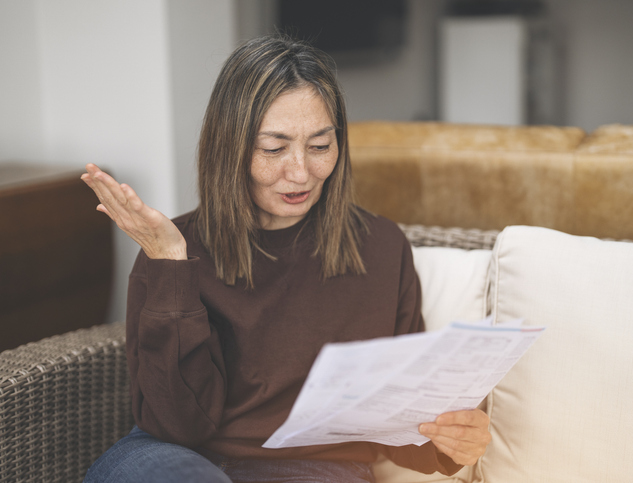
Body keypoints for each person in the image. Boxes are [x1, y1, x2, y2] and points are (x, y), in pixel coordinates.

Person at [81, 35, 491, 483]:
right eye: (274, 149)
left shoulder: (380, 248)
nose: (300, 172)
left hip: (314, 468)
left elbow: (401, 420)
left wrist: (451, 441)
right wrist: (170, 264)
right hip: (172, 459)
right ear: (230, 148)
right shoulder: (168, 252)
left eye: (319, 146)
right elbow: (177, 427)